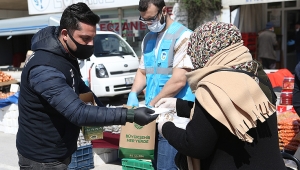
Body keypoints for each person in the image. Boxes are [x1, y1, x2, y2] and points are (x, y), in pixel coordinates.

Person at [16, 3, 158, 169]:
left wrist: (98, 103)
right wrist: (129, 115)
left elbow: (76, 83)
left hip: (60, 150)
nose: (91, 44)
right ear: (64, 34)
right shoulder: (45, 69)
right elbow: (78, 113)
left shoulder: (64, 53)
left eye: (93, 38)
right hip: (42, 159)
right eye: (85, 39)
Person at [155, 21, 286, 170]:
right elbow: (223, 111)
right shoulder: (254, 72)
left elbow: (195, 146)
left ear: (203, 50)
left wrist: (165, 127)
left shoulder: (215, 85)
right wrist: (178, 105)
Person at [126, 0, 195, 169]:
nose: (149, 24)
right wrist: (133, 93)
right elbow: (143, 72)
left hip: (174, 120)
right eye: (144, 20)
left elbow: (179, 80)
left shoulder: (184, 36)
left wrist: (151, 104)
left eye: (152, 18)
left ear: (164, 11)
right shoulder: (148, 39)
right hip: (153, 120)